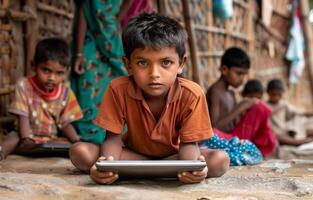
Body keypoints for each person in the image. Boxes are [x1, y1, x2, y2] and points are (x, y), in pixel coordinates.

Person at [70, 12, 230, 184]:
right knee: (80, 152)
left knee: (219, 160)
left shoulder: (192, 94)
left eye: (166, 63)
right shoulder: (117, 89)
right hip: (132, 156)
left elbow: (189, 145)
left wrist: (190, 169)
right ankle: (155, 172)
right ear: (128, 65)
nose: (154, 74)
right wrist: (107, 167)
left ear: (181, 64)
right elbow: (112, 139)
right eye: (142, 63)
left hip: (174, 158)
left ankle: (138, 172)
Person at [0, 38, 83, 161]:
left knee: (72, 146)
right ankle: (2, 154)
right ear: (33, 66)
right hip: (24, 136)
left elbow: (65, 123)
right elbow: (23, 117)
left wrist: (76, 141)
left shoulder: (65, 92)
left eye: (59, 73)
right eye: (46, 70)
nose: (52, 78)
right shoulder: (24, 85)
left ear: (66, 72)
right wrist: (26, 139)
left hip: (50, 138)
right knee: (12, 139)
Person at [70, 0, 129, 156]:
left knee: (118, 82)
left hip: (111, 36)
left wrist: (116, 21)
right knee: (86, 83)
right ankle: (89, 138)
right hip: (89, 38)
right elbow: (84, 10)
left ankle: (119, 136)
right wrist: (79, 53)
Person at [205, 47, 276, 156]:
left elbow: (235, 123)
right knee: (260, 107)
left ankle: (260, 145)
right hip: (221, 138)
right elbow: (214, 128)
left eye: (244, 74)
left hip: (233, 137)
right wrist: (240, 107)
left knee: (259, 108)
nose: (242, 79)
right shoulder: (216, 91)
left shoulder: (231, 93)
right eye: (239, 73)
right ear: (224, 70)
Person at [266, 78, 313, 146]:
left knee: (304, 124)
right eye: (273, 94)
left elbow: (296, 113)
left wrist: (309, 114)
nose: (276, 97)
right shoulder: (264, 105)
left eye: (279, 95)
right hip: (275, 133)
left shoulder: (283, 104)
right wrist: (279, 107)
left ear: (282, 93)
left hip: (286, 130)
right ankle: (301, 142)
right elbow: (267, 113)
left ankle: (300, 140)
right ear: (268, 92)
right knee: (278, 137)